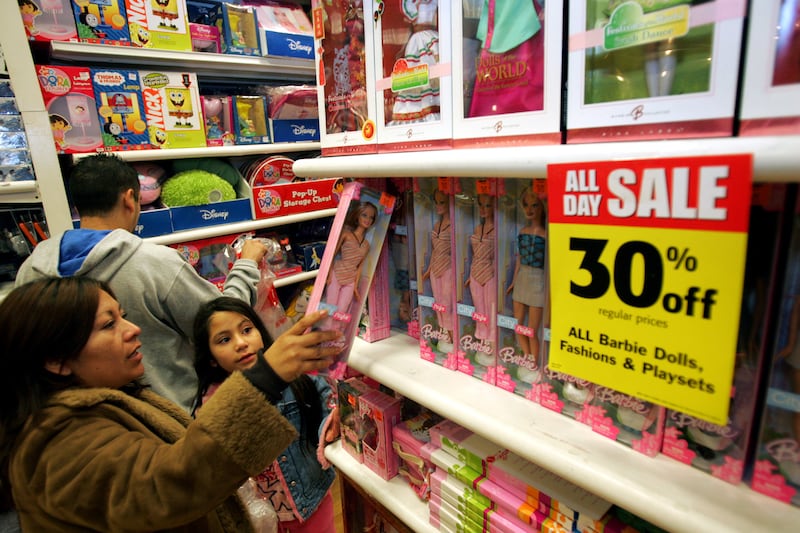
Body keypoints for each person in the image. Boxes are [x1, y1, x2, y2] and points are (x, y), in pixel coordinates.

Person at [0, 276, 342, 531]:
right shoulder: (57, 443)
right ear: (57, 361)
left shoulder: (106, 405)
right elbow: (167, 483)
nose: (133, 329)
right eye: (108, 324)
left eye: (123, 316)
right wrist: (265, 377)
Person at [14, 153, 267, 413]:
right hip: (165, 420)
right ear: (129, 199)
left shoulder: (31, 272)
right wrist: (247, 264)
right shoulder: (154, 263)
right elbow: (225, 320)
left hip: (73, 419)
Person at [193, 297, 339, 533]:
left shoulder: (295, 378)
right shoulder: (214, 407)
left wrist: (331, 424)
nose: (241, 343)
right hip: (261, 518)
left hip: (313, 502)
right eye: (224, 339)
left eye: (247, 330)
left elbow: (325, 406)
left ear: (261, 333)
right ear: (210, 358)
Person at [506, 186, 546, 381]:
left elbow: (550, 264)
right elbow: (520, 259)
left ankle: (534, 363)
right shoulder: (523, 231)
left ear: (542, 207)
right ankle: (526, 357)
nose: (529, 209)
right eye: (526, 205)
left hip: (538, 280)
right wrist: (513, 282)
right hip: (522, 279)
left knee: (532, 330)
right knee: (518, 324)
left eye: (534, 205)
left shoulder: (547, 235)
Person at [323, 200, 378, 328]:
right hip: (337, 273)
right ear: (357, 215)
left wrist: (355, 286)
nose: (368, 220)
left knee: (342, 309)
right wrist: (329, 274)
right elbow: (331, 253)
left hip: (350, 280)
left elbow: (360, 267)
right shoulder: (346, 235)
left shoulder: (366, 245)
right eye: (364, 215)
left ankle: (335, 335)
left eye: (371, 217)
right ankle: (325, 334)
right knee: (330, 307)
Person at [421, 187, 454, 351]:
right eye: (436, 202)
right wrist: (428, 270)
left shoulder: (453, 225)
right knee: (438, 302)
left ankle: (451, 335)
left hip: (448, 268)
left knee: (446, 302)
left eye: (442, 202)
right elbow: (434, 249)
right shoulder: (437, 224)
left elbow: (456, 251)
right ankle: (443, 332)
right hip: (435, 269)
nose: (438, 205)